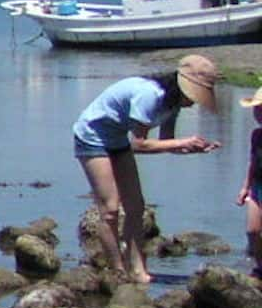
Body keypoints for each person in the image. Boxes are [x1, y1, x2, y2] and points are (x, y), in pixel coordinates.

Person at [73, 55, 220, 284]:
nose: (195, 102)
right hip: (92, 137)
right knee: (110, 209)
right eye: (195, 95)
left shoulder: (173, 104)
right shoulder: (150, 96)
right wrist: (182, 142)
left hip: (117, 138)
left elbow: (165, 143)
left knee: (136, 206)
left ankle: (139, 270)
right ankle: (118, 270)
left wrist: (193, 148)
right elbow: (139, 144)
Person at [241, 86, 262, 279]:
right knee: (252, 230)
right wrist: (245, 187)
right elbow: (253, 162)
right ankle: (259, 265)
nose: (259, 114)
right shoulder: (256, 135)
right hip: (258, 186)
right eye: (257, 109)